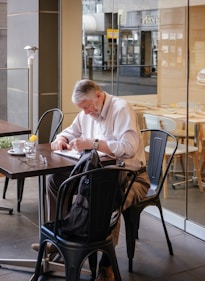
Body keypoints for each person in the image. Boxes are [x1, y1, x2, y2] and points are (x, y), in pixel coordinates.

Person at [32, 79, 150, 281]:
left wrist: (94, 144)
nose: (85, 112)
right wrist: (61, 139)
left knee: (108, 194)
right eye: (82, 109)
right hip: (94, 175)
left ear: (98, 95)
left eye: (86, 107)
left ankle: (107, 265)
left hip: (132, 176)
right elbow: (69, 131)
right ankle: (60, 238)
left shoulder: (121, 109)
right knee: (55, 180)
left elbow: (129, 148)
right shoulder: (87, 112)